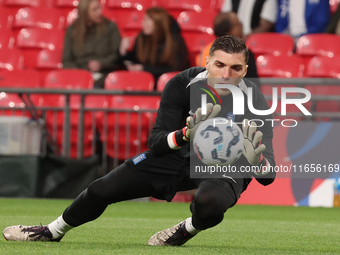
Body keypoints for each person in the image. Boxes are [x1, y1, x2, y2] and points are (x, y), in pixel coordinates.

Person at [3, 35, 276, 246]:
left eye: (235, 68)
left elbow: (268, 175)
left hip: (222, 166)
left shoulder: (256, 103)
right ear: (207, 62)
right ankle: (51, 231)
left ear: (245, 70)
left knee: (210, 204)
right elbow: (157, 142)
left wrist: (257, 162)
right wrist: (185, 134)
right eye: (219, 65)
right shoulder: (181, 85)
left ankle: (186, 230)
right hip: (174, 156)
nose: (226, 75)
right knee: (100, 190)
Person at [119, 7, 190, 86]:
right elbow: (136, 61)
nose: (142, 23)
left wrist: (145, 69)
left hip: (171, 85)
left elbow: (176, 68)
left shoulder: (175, 40)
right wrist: (123, 52)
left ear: (158, 23)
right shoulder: (141, 37)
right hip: (144, 83)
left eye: (147, 20)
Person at [62, 0, 121, 88]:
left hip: (105, 76)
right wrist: (83, 72)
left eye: (99, 8)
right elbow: (66, 61)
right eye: (94, 10)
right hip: (79, 76)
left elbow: (117, 55)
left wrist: (102, 63)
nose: (99, 12)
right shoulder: (72, 30)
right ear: (85, 13)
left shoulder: (110, 27)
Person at [196, 12, 259, 86]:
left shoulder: (205, 51)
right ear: (229, 31)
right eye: (238, 24)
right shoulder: (244, 52)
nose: (242, 26)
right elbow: (252, 84)